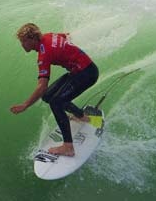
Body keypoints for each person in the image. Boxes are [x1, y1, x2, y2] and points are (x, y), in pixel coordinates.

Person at [10, 23, 99, 156]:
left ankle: (68, 147)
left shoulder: (43, 55)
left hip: (85, 74)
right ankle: (81, 116)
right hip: (82, 70)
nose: (22, 45)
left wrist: (25, 105)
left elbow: (42, 85)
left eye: (24, 41)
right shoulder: (49, 36)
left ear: (32, 39)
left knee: (56, 102)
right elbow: (68, 36)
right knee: (47, 96)